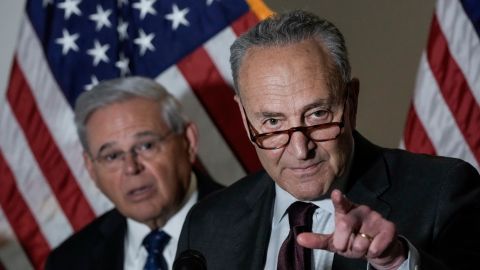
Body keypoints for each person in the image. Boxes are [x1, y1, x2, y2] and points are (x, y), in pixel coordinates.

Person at [177, 10, 480, 270]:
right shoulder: (208, 223)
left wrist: (396, 263)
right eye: (272, 122)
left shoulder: (443, 191)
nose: (300, 149)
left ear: (351, 102)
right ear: (245, 120)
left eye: (317, 114)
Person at [45, 76, 223, 270]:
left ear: (188, 141)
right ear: (91, 169)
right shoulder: (67, 262)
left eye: (146, 146)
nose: (131, 168)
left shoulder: (254, 226)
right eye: (112, 156)